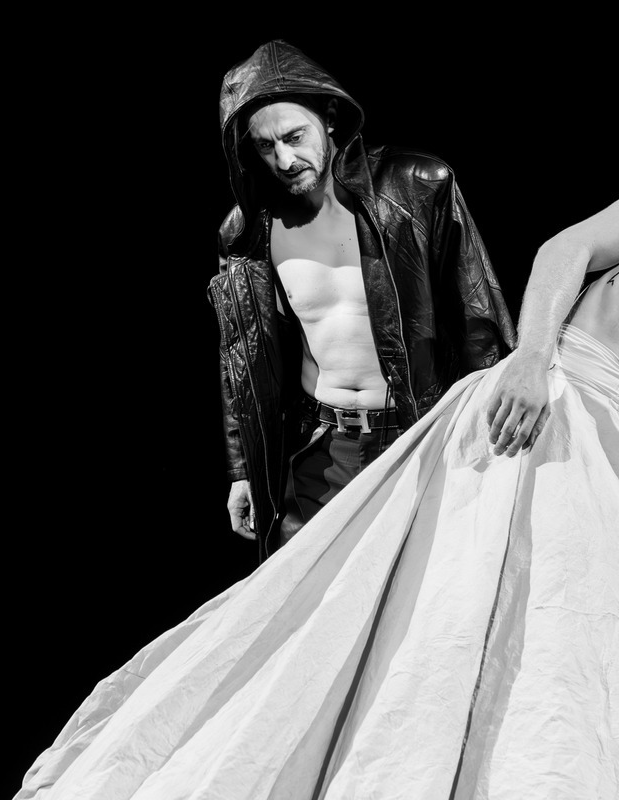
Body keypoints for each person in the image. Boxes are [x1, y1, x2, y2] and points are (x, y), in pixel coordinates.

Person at [15, 167, 619, 799]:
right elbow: (570, 248)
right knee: (423, 619)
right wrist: (531, 360)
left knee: (598, 671)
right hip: (535, 402)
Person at [210, 40, 516, 559]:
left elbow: (477, 319)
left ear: (330, 118)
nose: (284, 159)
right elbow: (240, 357)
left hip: (417, 438)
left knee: (423, 594)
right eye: (265, 146)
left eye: (294, 136)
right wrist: (243, 471)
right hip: (322, 450)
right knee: (310, 598)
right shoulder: (247, 231)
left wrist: (495, 436)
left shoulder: (416, 186)